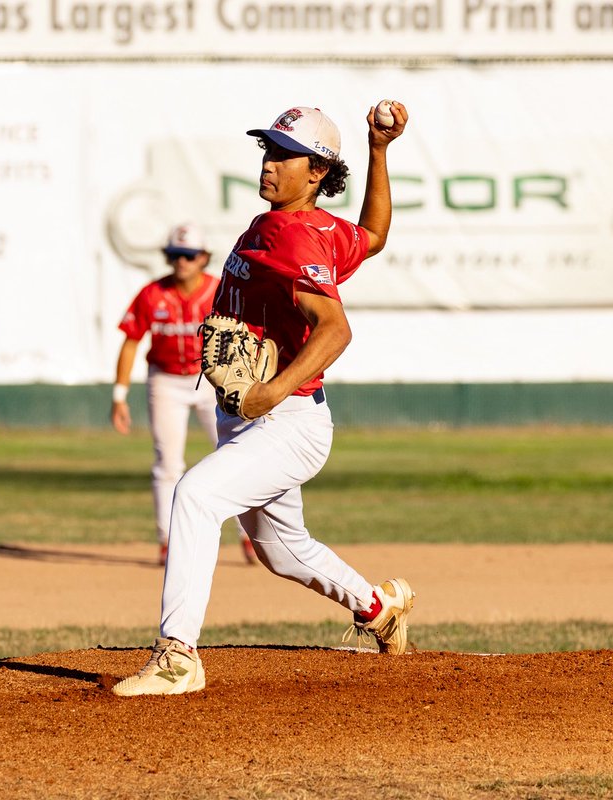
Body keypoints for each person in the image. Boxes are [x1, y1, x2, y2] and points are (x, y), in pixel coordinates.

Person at [113, 102, 414, 696]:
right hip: (258, 420)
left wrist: (271, 389)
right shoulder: (309, 228)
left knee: (194, 496)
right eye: (268, 150)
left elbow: (336, 328)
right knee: (282, 550)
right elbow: (373, 236)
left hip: (286, 420)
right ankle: (378, 607)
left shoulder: (291, 232)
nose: (270, 162)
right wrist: (379, 152)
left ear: (318, 172)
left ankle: (178, 658)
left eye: (284, 154)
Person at [111, 223, 258, 568]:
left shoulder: (221, 291)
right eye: (176, 255)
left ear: (204, 257)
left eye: (190, 255)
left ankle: (248, 536)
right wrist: (119, 395)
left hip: (213, 380)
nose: (182, 262)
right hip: (165, 380)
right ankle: (167, 540)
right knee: (167, 463)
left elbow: (248, 334)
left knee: (234, 456)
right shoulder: (152, 294)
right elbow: (131, 340)